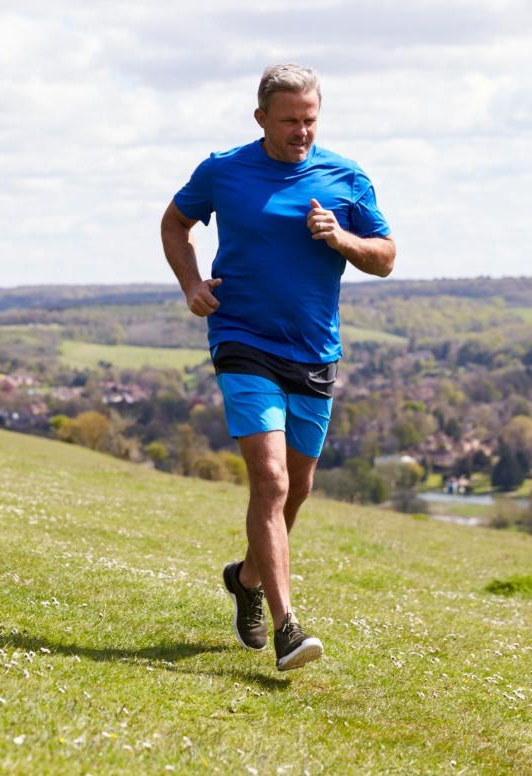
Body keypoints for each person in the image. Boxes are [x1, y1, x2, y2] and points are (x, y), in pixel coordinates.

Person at [160, 64, 396, 671]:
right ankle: (289, 625)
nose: (301, 131)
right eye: (290, 120)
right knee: (270, 482)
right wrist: (191, 284)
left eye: (310, 119)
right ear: (261, 117)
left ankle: (245, 578)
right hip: (242, 338)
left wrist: (342, 239)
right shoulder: (224, 169)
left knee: (298, 488)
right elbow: (175, 222)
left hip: (315, 350)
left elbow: (386, 256)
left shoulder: (345, 177)